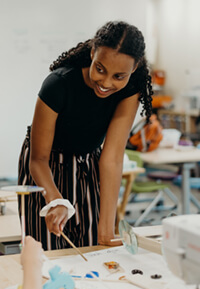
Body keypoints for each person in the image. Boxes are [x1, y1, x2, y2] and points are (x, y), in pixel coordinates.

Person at [18, 20, 153, 251]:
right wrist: (55, 200)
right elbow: (37, 159)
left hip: (88, 163)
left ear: (135, 67)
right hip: (46, 168)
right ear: (92, 53)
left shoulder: (131, 90)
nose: (106, 83)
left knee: (94, 247)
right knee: (50, 249)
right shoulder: (59, 85)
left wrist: (107, 230)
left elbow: (111, 159)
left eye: (119, 76)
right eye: (100, 69)